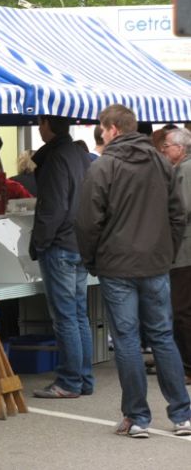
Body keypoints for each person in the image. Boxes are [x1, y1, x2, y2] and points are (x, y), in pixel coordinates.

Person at [76, 104, 191, 438]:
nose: (101, 134)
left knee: (127, 340)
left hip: (116, 264)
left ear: (112, 129)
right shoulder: (161, 162)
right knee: (162, 336)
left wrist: (91, 259)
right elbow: (178, 214)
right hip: (155, 262)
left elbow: (88, 221)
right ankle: (182, 415)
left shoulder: (104, 166)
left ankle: (138, 416)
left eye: (102, 129)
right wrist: (166, 251)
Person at [29, 115, 93, 399]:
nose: (38, 127)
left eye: (40, 122)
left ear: (47, 124)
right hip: (79, 243)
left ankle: (69, 381)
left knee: (66, 317)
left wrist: (39, 243)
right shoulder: (80, 154)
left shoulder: (56, 158)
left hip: (60, 245)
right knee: (78, 315)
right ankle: (83, 379)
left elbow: (52, 208)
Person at [159, 127, 191, 386]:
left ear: (180, 148)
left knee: (181, 310)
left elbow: (182, 210)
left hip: (184, 251)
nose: (163, 150)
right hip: (184, 249)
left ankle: (188, 366)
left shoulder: (185, 170)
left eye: (167, 145)